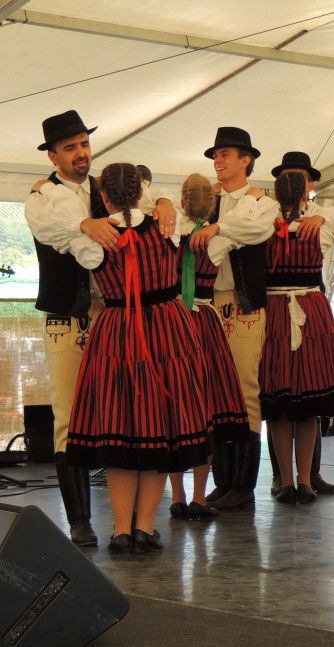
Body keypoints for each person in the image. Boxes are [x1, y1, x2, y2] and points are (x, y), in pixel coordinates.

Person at [24, 110, 177, 546]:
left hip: (113, 315)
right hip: (67, 317)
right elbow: (48, 230)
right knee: (70, 415)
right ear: (53, 156)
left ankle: (132, 523)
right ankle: (80, 520)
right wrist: (82, 223)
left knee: (124, 413)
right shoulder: (41, 195)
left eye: (84, 144)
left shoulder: (105, 188)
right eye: (70, 147)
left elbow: (151, 197)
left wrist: (165, 202)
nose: (80, 153)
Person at [63, 163, 209, 552]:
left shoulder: (92, 238)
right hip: (167, 330)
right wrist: (163, 202)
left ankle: (120, 530)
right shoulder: (167, 226)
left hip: (117, 330)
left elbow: (59, 236)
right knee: (159, 428)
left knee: (120, 428)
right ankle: (144, 526)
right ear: (141, 192)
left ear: (103, 196)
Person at [191, 127, 279, 511]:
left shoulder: (261, 202)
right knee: (213, 391)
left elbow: (254, 229)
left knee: (244, 388)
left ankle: (243, 485)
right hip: (208, 303)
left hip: (242, 303)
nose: (218, 159)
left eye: (225, 153)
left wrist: (218, 227)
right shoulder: (206, 200)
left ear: (246, 160)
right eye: (216, 154)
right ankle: (224, 481)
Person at [260, 154, 334, 504]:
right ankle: (304, 480)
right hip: (310, 309)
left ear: (275, 194)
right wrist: (320, 216)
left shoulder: (262, 226)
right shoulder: (319, 227)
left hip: (276, 311)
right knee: (308, 404)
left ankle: (287, 481)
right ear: (306, 194)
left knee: (281, 403)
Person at [168, 173, 250, 521]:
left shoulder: (167, 234)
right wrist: (220, 225)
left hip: (171, 323)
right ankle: (200, 497)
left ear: (181, 202)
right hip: (204, 324)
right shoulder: (218, 239)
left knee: (173, 412)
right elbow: (251, 225)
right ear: (212, 205)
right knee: (206, 412)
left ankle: (177, 495)